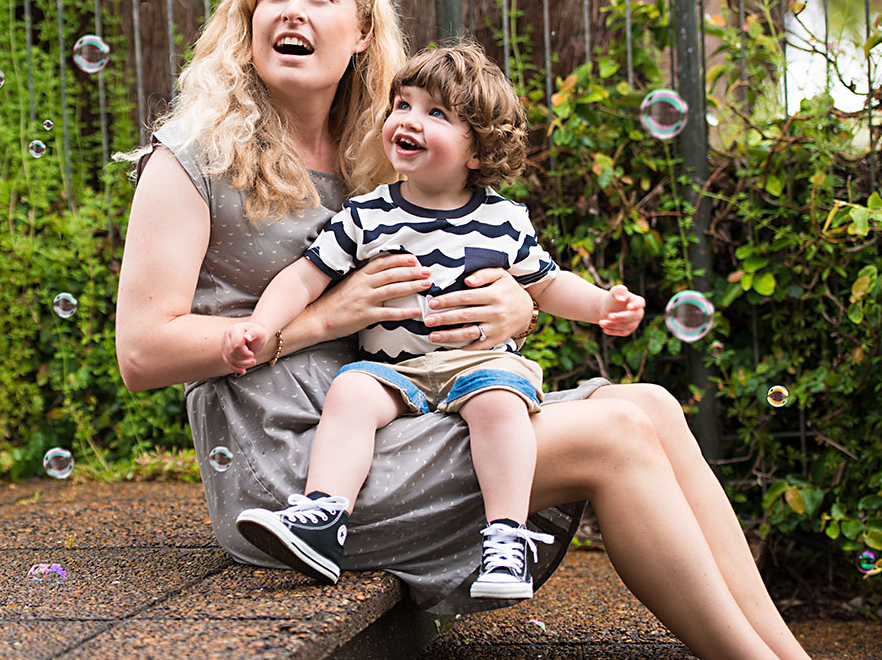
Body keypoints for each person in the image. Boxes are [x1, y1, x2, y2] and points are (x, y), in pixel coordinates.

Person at [115, 0, 839, 660]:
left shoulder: (377, 149)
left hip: (403, 412)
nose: (291, 11)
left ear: (362, 33)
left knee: (651, 402)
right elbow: (141, 353)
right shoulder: (193, 157)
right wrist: (322, 321)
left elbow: (470, 260)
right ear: (247, 20)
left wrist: (512, 308)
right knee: (617, 433)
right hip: (295, 466)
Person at [221, 41, 645, 600]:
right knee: (350, 391)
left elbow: (547, 283)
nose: (409, 120)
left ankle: (506, 539)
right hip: (395, 370)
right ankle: (323, 519)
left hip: (480, 363)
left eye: (436, 113)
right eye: (402, 104)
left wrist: (600, 307)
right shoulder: (368, 213)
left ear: (479, 150)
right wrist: (263, 328)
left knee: (500, 404)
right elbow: (305, 277)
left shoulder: (502, 219)